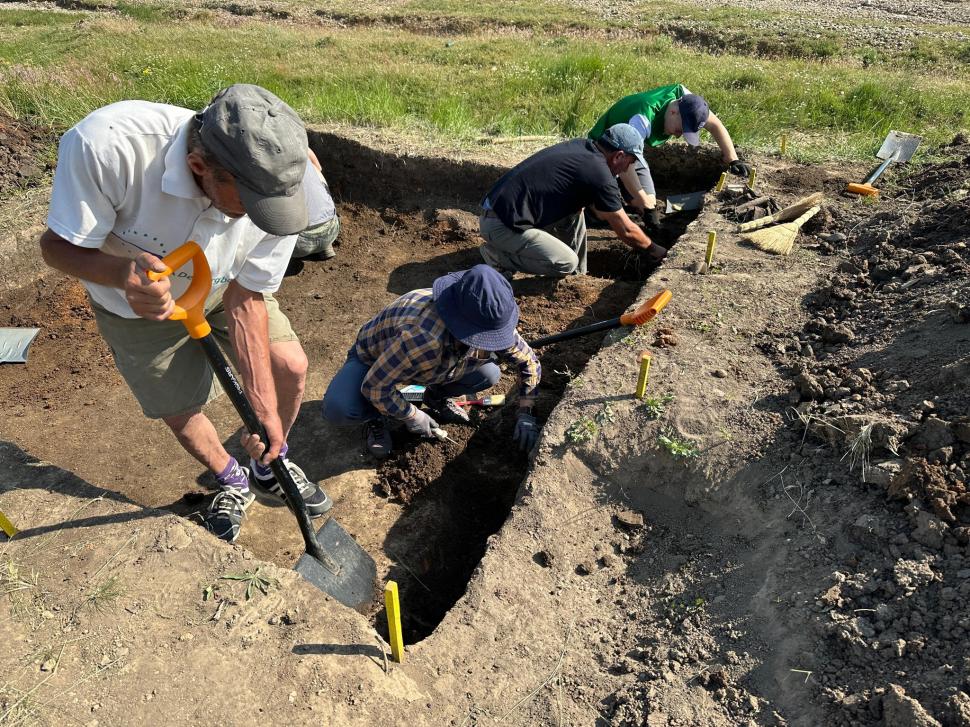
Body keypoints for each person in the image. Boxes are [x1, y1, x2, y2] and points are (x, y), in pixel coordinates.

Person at [38, 84, 332, 544]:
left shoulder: (283, 184)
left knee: (289, 367)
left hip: (228, 285)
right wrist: (122, 275)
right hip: (138, 305)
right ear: (200, 168)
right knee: (179, 406)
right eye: (250, 208)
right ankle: (231, 477)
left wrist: (264, 409)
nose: (262, 217)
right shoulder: (108, 146)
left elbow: (247, 298)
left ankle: (267, 462)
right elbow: (57, 248)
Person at [322, 264, 542, 460]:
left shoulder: (490, 317)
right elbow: (375, 386)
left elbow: (530, 363)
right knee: (340, 408)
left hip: (432, 363)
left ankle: (435, 396)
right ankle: (375, 417)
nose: (493, 341)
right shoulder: (422, 337)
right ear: (464, 326)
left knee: (489, 373)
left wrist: (526, 413)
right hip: (375, 360)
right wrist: (412, 415)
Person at [478, 124, 666, 279]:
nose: (628, 168)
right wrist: (654, 249)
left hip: (499, 210)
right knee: (565, 262)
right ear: (618, 156)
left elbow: (600, 211)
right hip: (500, 224)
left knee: (576, 211)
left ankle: (577, 277)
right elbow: (625, 230)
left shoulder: (584, 148)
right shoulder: (599, 173)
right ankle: (498, 257)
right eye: (631, 161)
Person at [588, 84, 751, 231]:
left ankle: (636, 205)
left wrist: (732, 159)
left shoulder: (686, 100)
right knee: (626, 204)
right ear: (673, 112)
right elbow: (625, 167)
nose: (679, 135)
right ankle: (593, 210)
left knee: (649, 201)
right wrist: (644, 204)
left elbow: (715, 125)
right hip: (604, 150)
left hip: (631, 151)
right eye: (681, 129)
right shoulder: (642, 119)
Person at [285, 149, 340, 277]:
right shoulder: (298, 143)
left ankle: (285, 259)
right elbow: (319, 168)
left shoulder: (261, 160)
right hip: (332, 228)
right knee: (314, 172)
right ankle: (325, 246)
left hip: (299, 243)